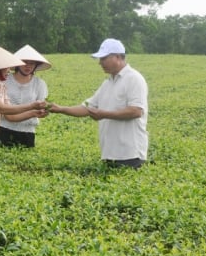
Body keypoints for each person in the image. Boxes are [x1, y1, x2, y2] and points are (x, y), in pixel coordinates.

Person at [48, 38, 148, 168]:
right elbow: (88, 108)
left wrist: (104, 114)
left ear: (117, 57)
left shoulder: (134, 79)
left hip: (130, 154)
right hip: (110, 153)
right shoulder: (108, 83)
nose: (100, 63)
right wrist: (60, 109)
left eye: (104, 58)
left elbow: (136, 111)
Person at [0, 45, 52, 148]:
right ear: (17, 63)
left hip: (27, 132)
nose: (28, 66)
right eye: (24, 62)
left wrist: (44, 111)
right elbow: (2, 110)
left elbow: (41, 106)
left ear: (36, 66)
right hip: (2, 129)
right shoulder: (4, 81)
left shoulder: (39, 84)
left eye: (32, 63)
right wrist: (33, 112)